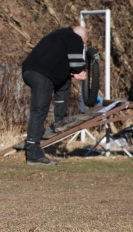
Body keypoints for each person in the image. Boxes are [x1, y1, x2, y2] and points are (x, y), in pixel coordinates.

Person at [22, 26, 89, 165]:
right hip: (42, 75)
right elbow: (77, 64)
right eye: (83, 44)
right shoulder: (75, 38)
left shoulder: (58, 35)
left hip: (29, 70)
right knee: (39, 111)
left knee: (64, 81)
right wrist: (80, 71)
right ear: (83, 39)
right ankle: (33, 152)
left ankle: (60, 120)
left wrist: (73, 72)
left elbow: (62, 64)